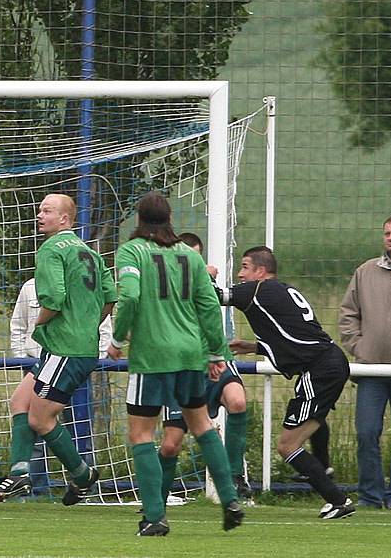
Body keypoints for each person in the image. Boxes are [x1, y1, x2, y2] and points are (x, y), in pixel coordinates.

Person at [107, 192, 244, 536]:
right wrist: (216, 353)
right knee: (200, 424)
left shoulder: (131, 251)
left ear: (139, 219)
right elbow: (209, 307)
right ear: (170, 218)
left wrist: (116, 339)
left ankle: (154, 516)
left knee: (140, 434)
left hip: (152, 356)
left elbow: (131, 296)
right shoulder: (189, 255)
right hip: (189, 355)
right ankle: (230, 499)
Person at [0, 193, 117, 504]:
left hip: (64, 350)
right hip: (71, 348)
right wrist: (88, 324)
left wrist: (40, 325)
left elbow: (54, 299)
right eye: (39, 209)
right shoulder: (90, 252)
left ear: (65, 219)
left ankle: (83, 475)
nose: (39, 215)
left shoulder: (50, 250)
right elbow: (111, 296)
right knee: (20, 400)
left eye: (47, 210)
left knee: (41, 419)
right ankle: (19, 473)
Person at [224, 246, 354, 519]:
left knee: (287, 445)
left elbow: (210, 297)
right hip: (328, 363)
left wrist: (202, 274)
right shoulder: (281, 291)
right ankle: (324, 467)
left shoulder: (258, 289)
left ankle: (338, 499)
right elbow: (294, 337)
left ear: (260, 271)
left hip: (320, 369)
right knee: (314, 420)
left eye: (245, 266)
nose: (240, 273)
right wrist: (254, 346)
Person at [158, 232, 251, 502]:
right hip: (182, 365)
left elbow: (211, 301)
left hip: (215, 355)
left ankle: (234, 475)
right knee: (171, 444)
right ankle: (157, 498)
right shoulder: (166, 285)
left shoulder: (202, 282)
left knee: (237, 402)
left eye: (196, 256)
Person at [10, 277, 113, 492]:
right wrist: (21, 358)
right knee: (23, 406)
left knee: (68, 424)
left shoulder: (85, 288)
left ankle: (84, 479)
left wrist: (94, 358)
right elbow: (18, 326)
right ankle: (27, 481)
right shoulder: (31, 286)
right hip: (42, 361)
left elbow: (104, 325)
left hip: (69, 361)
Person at [339, 214, 391, 510]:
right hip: (371, 370)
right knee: (367, 433)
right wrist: (359, 347)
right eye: (386, 234)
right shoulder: (366, 271)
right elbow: (347, 314)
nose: (390, 238)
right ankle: (370, 495)